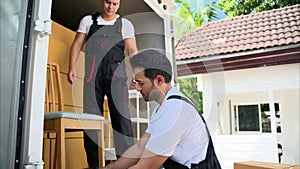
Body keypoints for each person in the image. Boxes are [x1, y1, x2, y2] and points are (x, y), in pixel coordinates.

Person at [100, 49, 221, 169]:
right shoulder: (162, 108)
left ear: (159, 80)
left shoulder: (175, 110)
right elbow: (139, 148)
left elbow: (145, 166)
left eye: (141, 83)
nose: (137, 88)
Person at [68, 0, 138, 168]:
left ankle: (125, 164)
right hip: (93, 78)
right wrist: (71, 67)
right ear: (103, 1)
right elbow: (77, 44)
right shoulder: (88, 21)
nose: (111, 7)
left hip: (117, 79)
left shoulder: (125, 24)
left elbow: (132, 51)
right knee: (91, 122)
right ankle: (94, 165)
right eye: (108, 2)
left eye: (115, 4)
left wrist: (137, 73)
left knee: (122, 121)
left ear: (119, 4)